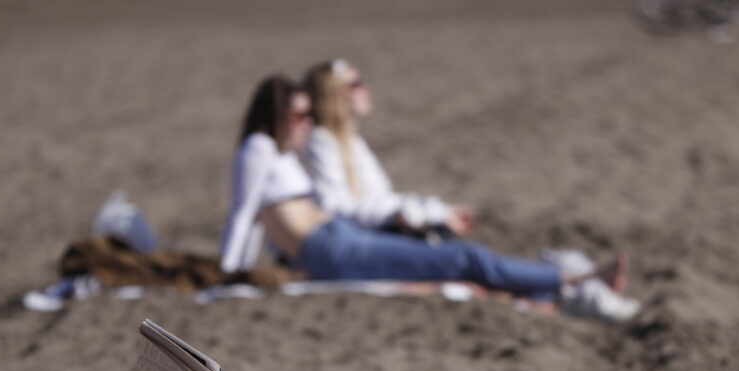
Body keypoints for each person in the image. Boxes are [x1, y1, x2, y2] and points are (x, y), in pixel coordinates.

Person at [216, 75, 638, 320]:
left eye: (310, 114)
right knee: (462, 260)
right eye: (298, 115)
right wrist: (229, 277)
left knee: (447, 256)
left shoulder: (278, 152)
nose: (307, 123)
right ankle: (574, 282)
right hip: (330, 247)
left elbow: (265, 220)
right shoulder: (257, 148)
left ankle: (553, 294)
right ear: (273, 114)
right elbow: (244, 215)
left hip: (334, 237)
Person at [302, 59, 474, 240]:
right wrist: (404, 215)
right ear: (333, 95)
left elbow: (381, 200)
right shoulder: (320, 141)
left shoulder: (350, 141)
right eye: (355, 84)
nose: (365, 88)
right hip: (363, 240)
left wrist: (439, 212)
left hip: (373, 233)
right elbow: (335, 207)